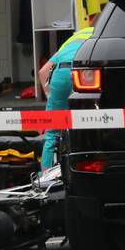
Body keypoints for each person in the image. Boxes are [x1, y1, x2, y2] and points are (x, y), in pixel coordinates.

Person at [37, 21, 95, 170]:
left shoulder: (73, 39)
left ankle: (45, 176)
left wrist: (51, 97)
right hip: (84, 72)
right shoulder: (103, 35)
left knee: (52, 131)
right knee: (91, 125)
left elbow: (43, 72)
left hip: (60, 74)